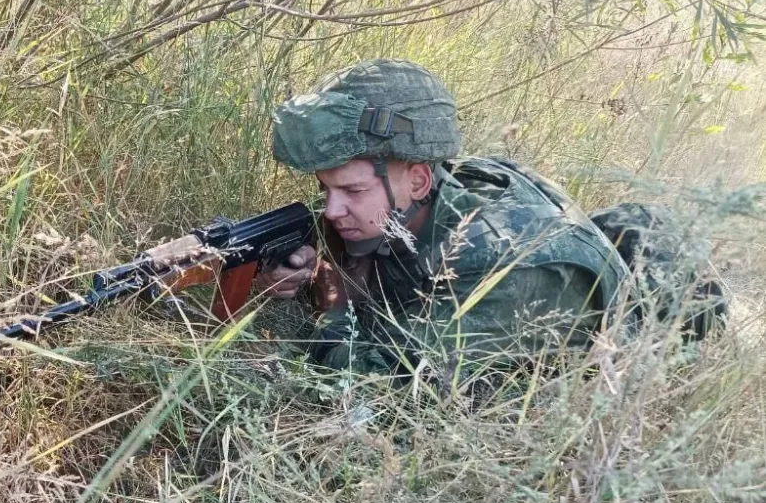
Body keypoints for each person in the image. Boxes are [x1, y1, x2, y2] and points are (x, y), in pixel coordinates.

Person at [255, 58, 633, 390]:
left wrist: (332, 304)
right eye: (325, 188)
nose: (333, 210)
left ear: (418, 180)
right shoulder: (421, 187)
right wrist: (300, 270)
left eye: (353, 190)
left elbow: (377, 384)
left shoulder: (499, 268)